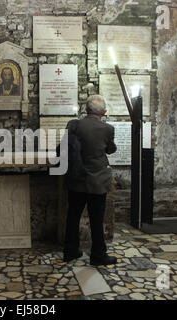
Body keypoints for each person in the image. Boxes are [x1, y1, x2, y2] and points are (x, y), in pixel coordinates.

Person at [62, 95, 118, 266]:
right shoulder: (107, 129)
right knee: (96, 219)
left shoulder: (74, 125)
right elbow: (110, 149)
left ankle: (70, 252)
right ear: (104, 112)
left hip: (76, 178)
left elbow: (66, 146)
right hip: (97, 181)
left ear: (86, 110)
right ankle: (98, 255)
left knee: (73, 216)